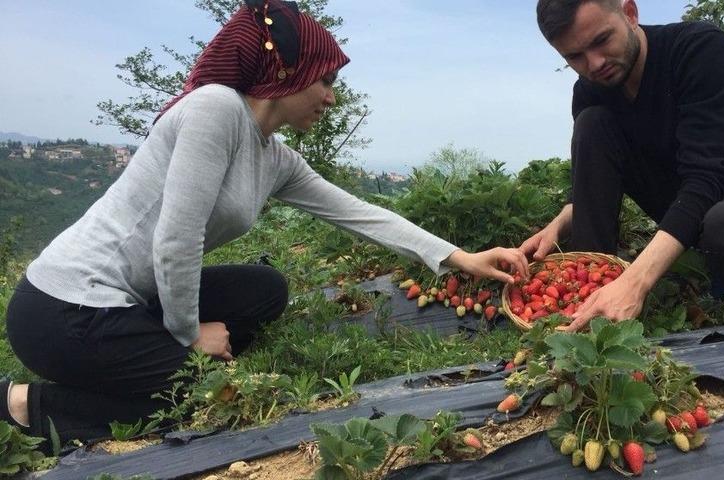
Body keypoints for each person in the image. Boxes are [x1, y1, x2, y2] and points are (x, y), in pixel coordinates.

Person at [2, 0, 529, 448]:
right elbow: (176, 238)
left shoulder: (273, 157)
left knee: (266, 289)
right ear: (285, 70)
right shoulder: (215, 109)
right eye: (325, 79)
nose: (331, 96)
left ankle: (147, 349)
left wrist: (460, 257)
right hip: (63, 309)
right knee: (201, 392)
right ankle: (23, 403)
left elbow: (361, 214)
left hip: (132, 299)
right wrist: (188, 337)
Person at [520, 0, 724, 332]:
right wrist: (560, 224)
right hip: (689, 197)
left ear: (630, 14)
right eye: (575, 56)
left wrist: (636, 282)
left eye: (601, 40)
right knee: (593, 124)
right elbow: (596, 173)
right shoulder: (591, 90)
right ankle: (594, 288)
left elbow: (707, 176)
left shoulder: (699, 49)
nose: (594, 64)